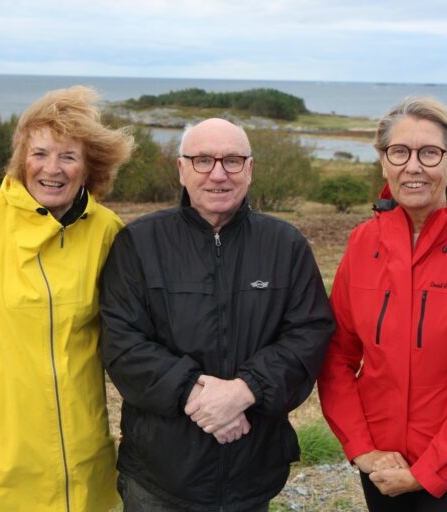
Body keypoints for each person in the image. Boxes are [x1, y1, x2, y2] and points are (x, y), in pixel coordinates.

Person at [99, 118, 334, 511]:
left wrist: (245, 390)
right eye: (203, 160)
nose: (218, 174)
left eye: (232, 161)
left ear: (250, 169)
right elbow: (121, 342)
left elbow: (309, 335)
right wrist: (197, 394)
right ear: (182, 169)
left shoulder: (285, 245)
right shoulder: (139, 243)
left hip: (252, 470)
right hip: (159, 476)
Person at [0, 86, 133, 511]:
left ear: (89, 166)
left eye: (68, 156)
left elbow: (127, 331)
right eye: (40, 153)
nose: (51, 169)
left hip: (76, 440)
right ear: (23, 158)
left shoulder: (107, 229)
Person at [318, 97, 447, 512]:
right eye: (399, 152)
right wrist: (362, 449)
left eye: (429, 153)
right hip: (383, 465)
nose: (412, 166)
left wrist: (428, 471)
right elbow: (336, 356)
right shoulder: (363, 242)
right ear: (384, 162)